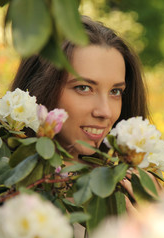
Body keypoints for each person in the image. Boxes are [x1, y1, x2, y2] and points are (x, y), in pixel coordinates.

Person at [11, 15, 150, 161]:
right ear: (40, 86)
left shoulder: (125, 180)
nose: (105, 112)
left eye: (115, 91)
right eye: (83, 88)